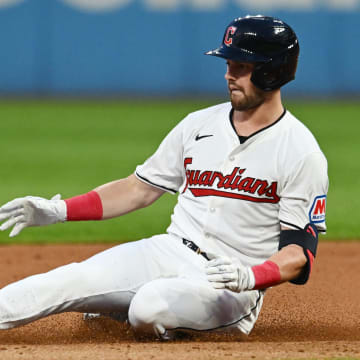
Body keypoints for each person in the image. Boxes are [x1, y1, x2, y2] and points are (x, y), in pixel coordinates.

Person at [0, 15, 328, 339]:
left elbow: (299, 253)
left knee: (148, 307)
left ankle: (129, 309)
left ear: (273, 71)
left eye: (242, 66)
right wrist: (59, 211)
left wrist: (250, 277)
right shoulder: (198, 125)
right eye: (228, 64)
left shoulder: (300, 152)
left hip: (227, 283)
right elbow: (137, 189)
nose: (229, 74)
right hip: (167, 251)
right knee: (67, 280)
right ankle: (122, 305)